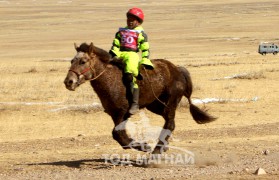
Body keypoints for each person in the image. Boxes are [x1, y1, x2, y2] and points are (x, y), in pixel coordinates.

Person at [109, 7, 154, 115]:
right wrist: (112, 54)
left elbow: (145, 48)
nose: (129, 21)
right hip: (121, 53)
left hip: (132, 55)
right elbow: (116, 44)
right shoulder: (121, 32)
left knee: (129, 74)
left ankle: (135, 103)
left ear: (138, 22)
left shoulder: (141, 33)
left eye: (132, 20)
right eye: (128, 19)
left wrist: (145, 59)